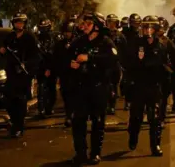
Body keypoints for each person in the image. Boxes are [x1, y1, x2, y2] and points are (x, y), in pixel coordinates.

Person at [69, 12, 119, 165]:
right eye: (84, 23)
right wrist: (72, 64)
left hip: (99, 88)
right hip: (81, 88)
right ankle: (80, 153)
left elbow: (113, 59)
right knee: (78, 121)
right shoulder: (79, 42)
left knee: (97, 122)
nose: (84, 26)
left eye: (88, 23)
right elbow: (67, 56)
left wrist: (90, 58)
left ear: (96, 26)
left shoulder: (106, 42)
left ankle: (95, 153)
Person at [127, 15, 168, 157]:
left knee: (155, 118)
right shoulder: (135, 44)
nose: (148, 30)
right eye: (145, 27)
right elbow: (129, 63)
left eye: (151, 27)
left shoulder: (161, 45)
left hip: (154, 86)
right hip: (139, 85)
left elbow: (165, 64)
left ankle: (155, 145)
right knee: (136, 117)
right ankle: (133, 137)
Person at [0, 13, 41, 137]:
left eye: (21, 22)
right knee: (8, 98)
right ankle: (13, 120)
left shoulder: (30, 37)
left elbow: (37, 56)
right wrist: (2, 51)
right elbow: (4, 50)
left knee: (20, 99)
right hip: (11, 73)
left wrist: (26, 65)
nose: (19, 25)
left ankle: (19, 126)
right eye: (17, 22)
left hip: (24, 74)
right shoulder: (10, 37)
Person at [156, 17, 175, 127]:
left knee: (163, 97)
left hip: (164, 73)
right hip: (151, 73)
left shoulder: (168, 42)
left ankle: (161, 118)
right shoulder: (147, 40)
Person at [53, 19, 77, 127]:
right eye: (65, 32)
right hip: (64, 74)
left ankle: (72, 115)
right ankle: (69, 115)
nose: (67, 34)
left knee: (74, 96)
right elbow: (56, 59)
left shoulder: (78, 43)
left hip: (76, 74)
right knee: (66, 96)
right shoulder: (59, 45)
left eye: (69, 31)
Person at [105, 14, 127, 115]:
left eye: (113, 23)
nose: (111, 25)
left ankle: (112, 106)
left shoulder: (120, 36)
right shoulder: (104, 35)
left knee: (113, 86)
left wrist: (122, 64)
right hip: (105, 64)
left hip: (116, 64)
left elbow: (124, 51)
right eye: (110, 22)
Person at [36, 18, 58, 118]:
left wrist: (49, 68)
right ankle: (41, 109)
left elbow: (54, 54)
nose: (43, 30)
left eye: (45, 28)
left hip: (51, 66)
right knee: (41, 88)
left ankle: (49, 107)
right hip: (40, 66)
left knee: (51, 88)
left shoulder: (54, 38)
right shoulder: (37, 38)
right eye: (41, 28)